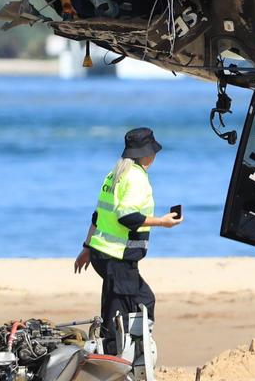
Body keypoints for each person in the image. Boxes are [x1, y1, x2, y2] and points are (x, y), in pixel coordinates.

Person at [73, 127, 183, 353]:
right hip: (117, 258)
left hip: (102, 254)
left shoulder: (115, 173)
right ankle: (124, 359)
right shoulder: (135, 177)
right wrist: (163, 222)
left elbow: (98, 215)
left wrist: (87, 247)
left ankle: (130, 354)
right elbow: (127, 217)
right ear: (146, 154)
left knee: (128, 305)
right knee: (128, 311)